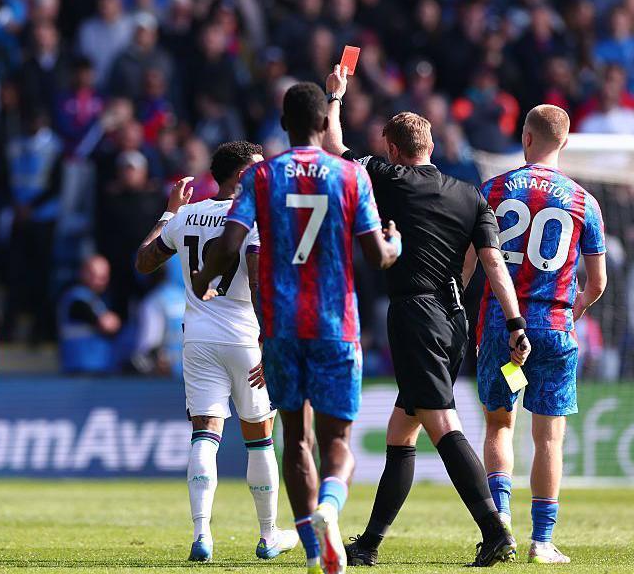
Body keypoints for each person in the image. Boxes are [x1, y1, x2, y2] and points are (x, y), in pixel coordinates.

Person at [321, 64, 529, 567]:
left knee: (440, 422)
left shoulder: (389, 177)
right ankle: (368, 545)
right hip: (454, 318)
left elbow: (332, 147)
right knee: (402, 431)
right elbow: (492, 263)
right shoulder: (470, 195)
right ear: (431, 147)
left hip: (416, 313)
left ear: (394, 150)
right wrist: (515, 321)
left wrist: (336, 97)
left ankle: (495, 530)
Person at [193, 84, 400, 574]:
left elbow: (229, 243)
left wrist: (203, 278)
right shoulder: (350, 175)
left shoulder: (261, 177)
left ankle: (312, 550)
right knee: (337, 445)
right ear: (325, 125)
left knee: (295, 438)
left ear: (284, 123)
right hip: (335, 325)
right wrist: (394, 244)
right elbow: (376, 256)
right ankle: (329, 510)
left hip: (281, 328)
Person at [135, 142, 299, 562]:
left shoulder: (188, 216)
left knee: (205, 433)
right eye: (258, 171)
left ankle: (202, 535)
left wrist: (169, 212)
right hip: (245, 338)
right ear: (241, 176)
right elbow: (262, 283)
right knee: (260, 439)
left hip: (198, 339)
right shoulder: (252, 218)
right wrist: (271, 341)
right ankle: (268, 535)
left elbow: (144, 261)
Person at [473, 105, 608, 564]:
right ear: (564, 142)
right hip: (552, 325)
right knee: (548, 438)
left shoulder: (493, 188)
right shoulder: (584, 201)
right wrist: (575, 307)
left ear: (525, 137)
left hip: (499, 324)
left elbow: (472, 263)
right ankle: (542, 542)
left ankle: (501, 524)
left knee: (498, 425)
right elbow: (598, 282)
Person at [57, 254, 119, 374]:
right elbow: (105, 324)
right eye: (95, 275)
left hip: (99, 367)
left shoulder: (98, 299)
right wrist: (111, 321)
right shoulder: (76, 298)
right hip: (80, 370)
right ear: (83, 273)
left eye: (104, 277)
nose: (101, 281)